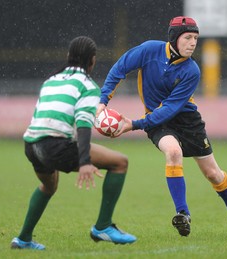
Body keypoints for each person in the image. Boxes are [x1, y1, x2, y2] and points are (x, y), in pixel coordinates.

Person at [97, 16, 227, 237]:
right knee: (172, 152)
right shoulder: (149, 50)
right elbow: (119, 69)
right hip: (158, 121)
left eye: (196, 38)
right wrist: (103, 100)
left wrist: (134, 124)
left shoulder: (192, 71)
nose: (193, 43)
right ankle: (183, 214)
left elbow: (170, 108)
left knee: (213, 174)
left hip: (187, 121)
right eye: (188, 37)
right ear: (174, 38)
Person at [11, 36, 137, 250]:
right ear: (93, 61)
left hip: (31, 144)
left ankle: (23, 239)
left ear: (69, 57)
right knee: (120, 162)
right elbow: (83, 124)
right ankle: (103, 227)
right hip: (55, 145)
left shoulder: (51, 80)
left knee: (48, 186)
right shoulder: (87, 85)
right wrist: (85, 161)